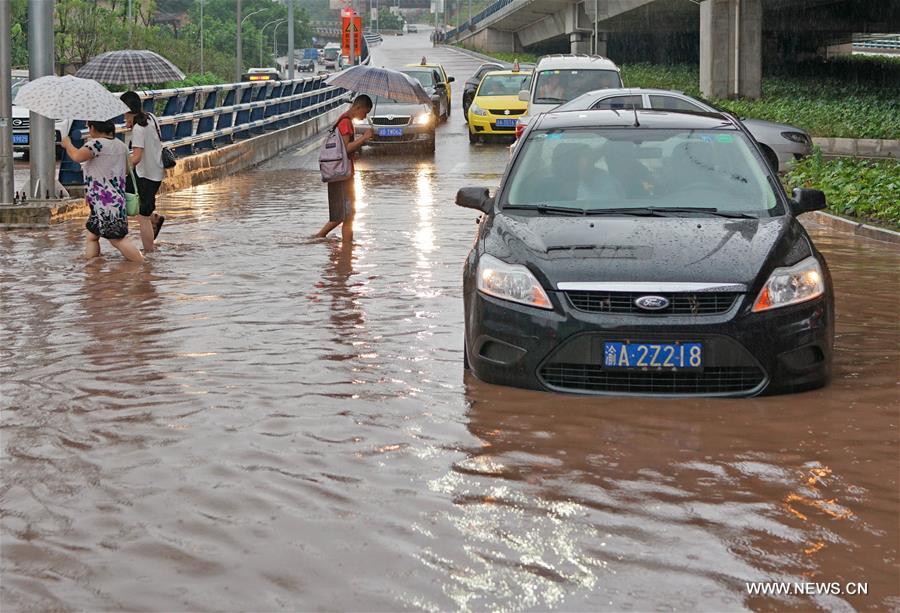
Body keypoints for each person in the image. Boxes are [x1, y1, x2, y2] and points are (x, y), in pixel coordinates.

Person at [61, 120, 143, 262]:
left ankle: (142, 264)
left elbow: (77, 157)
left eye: (89, 127)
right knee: (92, 236)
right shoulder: (121, 146)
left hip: (105, 201)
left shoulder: (96, 144)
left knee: (116, 239)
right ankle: (92, 266)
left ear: (93, 128)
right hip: (112, 199)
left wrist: (67, 144)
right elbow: (127, 168)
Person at [316, 95, 374, 243]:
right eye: (365, 112)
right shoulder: (346, 123)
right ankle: (318, 238)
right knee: (344, 216)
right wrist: (364, 137)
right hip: (342, 176)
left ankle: (346, 249)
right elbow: (346, 148)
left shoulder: (343, 120)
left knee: (345, 215)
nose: (365, 116)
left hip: (340, 173)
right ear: (358, 107)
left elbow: (343, 150)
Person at [120, 91, 165, 253]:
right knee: (129, 202)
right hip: (156, 172)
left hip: (144, 175)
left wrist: (120, 168)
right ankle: (154, 218)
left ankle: (149, 254)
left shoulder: (139, 128)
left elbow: (137, 157)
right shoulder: (151, 117)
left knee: (141, 216)